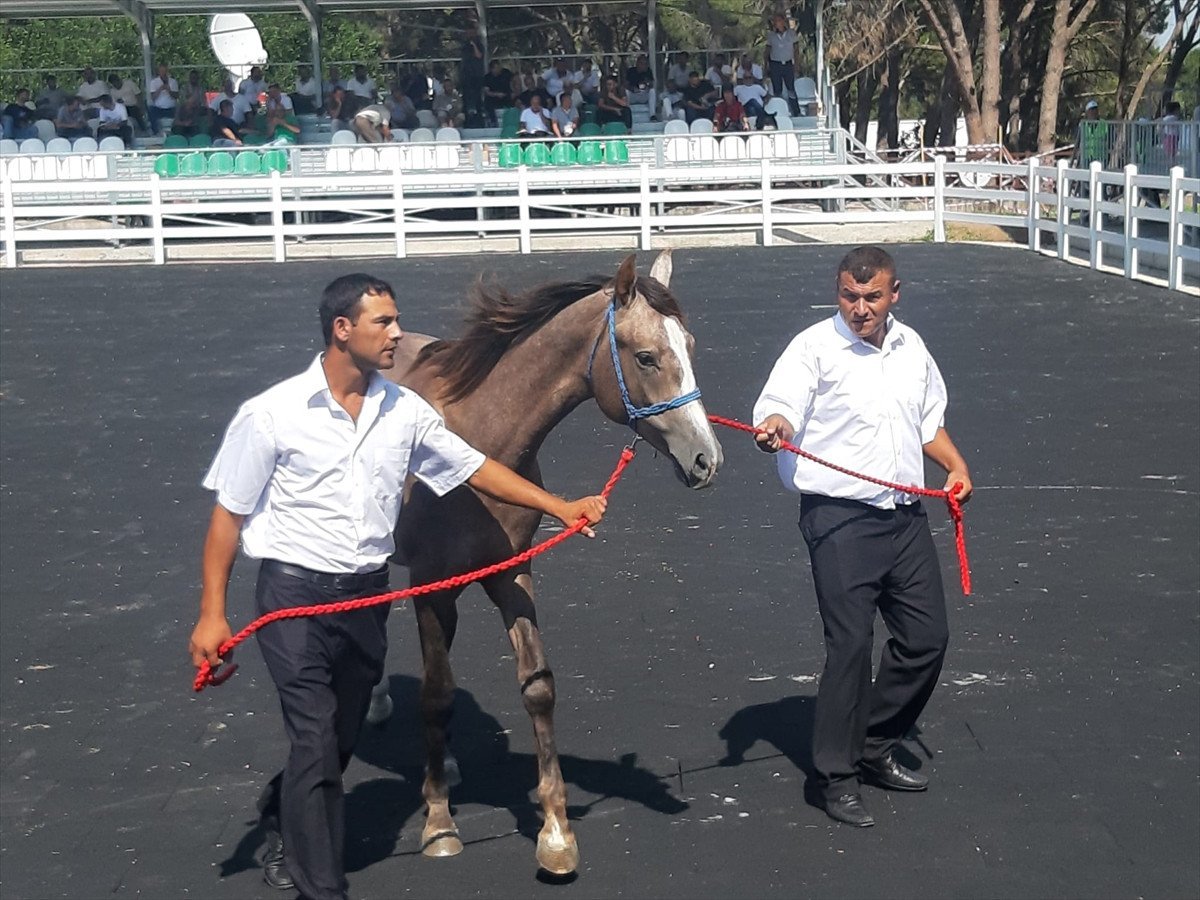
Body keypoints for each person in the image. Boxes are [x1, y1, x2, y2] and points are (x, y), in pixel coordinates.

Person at [188, 274, 606, 900]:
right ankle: (320, 884)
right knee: (313, 732)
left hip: (365, 596)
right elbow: (229, 516)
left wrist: (558, 505)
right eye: (384, 322)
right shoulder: (270, 414)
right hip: (293, 597)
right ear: (342, 330)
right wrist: (211, 614)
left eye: (396, 320)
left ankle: (283, 811)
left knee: (340, 737)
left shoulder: (405, 410)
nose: (399, 334)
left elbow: (477, 468)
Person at [752, 246, 972, 829]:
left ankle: (873, 744)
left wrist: (957, 468)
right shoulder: (813, 348)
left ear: (895, 294)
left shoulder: (912, 348)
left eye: (872, 297)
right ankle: (836, 777)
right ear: (838, 291)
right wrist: (775, 427)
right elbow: (780, 407)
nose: (859, 308)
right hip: (839, 519)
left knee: (927, 639)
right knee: (849, 647)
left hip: (903, 517)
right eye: (849, 295)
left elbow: (928, 424)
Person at [767, 14, 800, 109]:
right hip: (775, 64)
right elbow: (767, 51)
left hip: (788, 64)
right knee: (777, 89)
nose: (776, 23)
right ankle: (779, 110)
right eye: (774, 21)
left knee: (791, 88)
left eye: (778, 21)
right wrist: (766, 65)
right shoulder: (771, 35)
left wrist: (797, 64)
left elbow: (796, 50)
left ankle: (795, 110)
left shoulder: (791, 33)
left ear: (783, 21)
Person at [459, 24, 485, 121]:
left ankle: (479, 115)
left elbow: (479, 55)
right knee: (466, 97)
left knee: (477, 96)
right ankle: (466, 117)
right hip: (466, 75)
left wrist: (474, 45)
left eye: (472, 33)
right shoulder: (464, 46)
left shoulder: (479, 45)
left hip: (476, 75)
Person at [147, 63, 178, 134]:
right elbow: (153, 98)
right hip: (158, 109)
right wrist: (160, 89)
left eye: (164, 71)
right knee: (151, 109)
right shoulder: (154, 82)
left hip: (171, 108)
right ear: (158, 72)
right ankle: (155, 132)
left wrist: (169, 90)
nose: (163, 73)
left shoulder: (173, 82)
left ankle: (175, 132)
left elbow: (176, 96)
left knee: (179, 110)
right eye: (161, 71)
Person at [624, 53, 657, 119]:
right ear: (637, 63)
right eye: (642, 63)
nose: (643, 65)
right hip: (633, 95)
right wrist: (632, 89)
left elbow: (651, 85)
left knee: (652, 91)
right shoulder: (631, 71)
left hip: (643, 95)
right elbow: (625, 84)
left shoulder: (648, 71)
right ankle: (627, 115)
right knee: (626, 92)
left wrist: (647, 83)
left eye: (645, 64)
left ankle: (652, 115)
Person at [482, 59, 513, 125]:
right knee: (488, 103)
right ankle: (493, 122)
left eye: (499, 67)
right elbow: (487, 92)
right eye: (497, 68)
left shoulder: (506, 73)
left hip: (505, 96)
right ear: (492, 69)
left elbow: (513, 80)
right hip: (493, 98)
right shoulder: (487, 78)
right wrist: (497, 94)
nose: (499, 69)